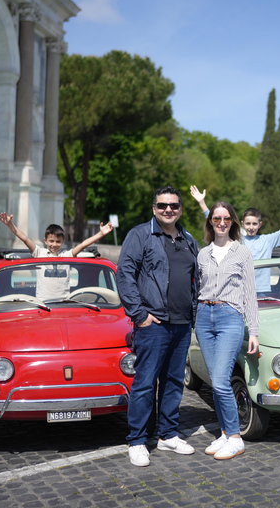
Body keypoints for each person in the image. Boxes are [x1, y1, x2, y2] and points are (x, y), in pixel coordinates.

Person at [115, 186, 200, 467]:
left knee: (174, 382)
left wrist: (194, 317)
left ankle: (167, 435)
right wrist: (139, 314)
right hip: (153, 324)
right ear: (154, 208)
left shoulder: (188, 239)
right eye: (163, 205)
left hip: (181, 323)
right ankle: (137, 441)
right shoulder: (140, 235)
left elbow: (195, 280)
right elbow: (125, 275)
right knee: (145, 384)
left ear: (180, 209)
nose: (168, 210)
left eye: (174, 205)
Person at [195, 201, 259, 460]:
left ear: (233, 222)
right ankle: (224, 432)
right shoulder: (202, 254)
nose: (221, 222)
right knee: (214, 381)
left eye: (226, 219)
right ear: (210, 221)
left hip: (230, 317)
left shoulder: (242, 252)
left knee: (221, 381)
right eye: (216, 218)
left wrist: (253, 331)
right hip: (203, 317)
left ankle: (234, 437)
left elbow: (250, 294)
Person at [190, 185, 280, 293]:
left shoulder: (267, 240)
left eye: (254, 224)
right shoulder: (236, 240)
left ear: (260, 225)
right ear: (243, 224)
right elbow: (217, 222)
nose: (251, 227)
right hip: (240, 289)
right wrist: (202, 203)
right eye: (248, 224)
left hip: (262, 291)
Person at [0, 212, 112, 300]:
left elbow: (82, 245)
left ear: (63, 241)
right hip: (42, 303)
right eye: (51, 241)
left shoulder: (67, 255)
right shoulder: (39, 253)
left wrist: (100, 234)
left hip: (64, 303)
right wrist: (10, 225)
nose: (54, 244)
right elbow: (25, 239)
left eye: (58, 241)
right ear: (45, 241)